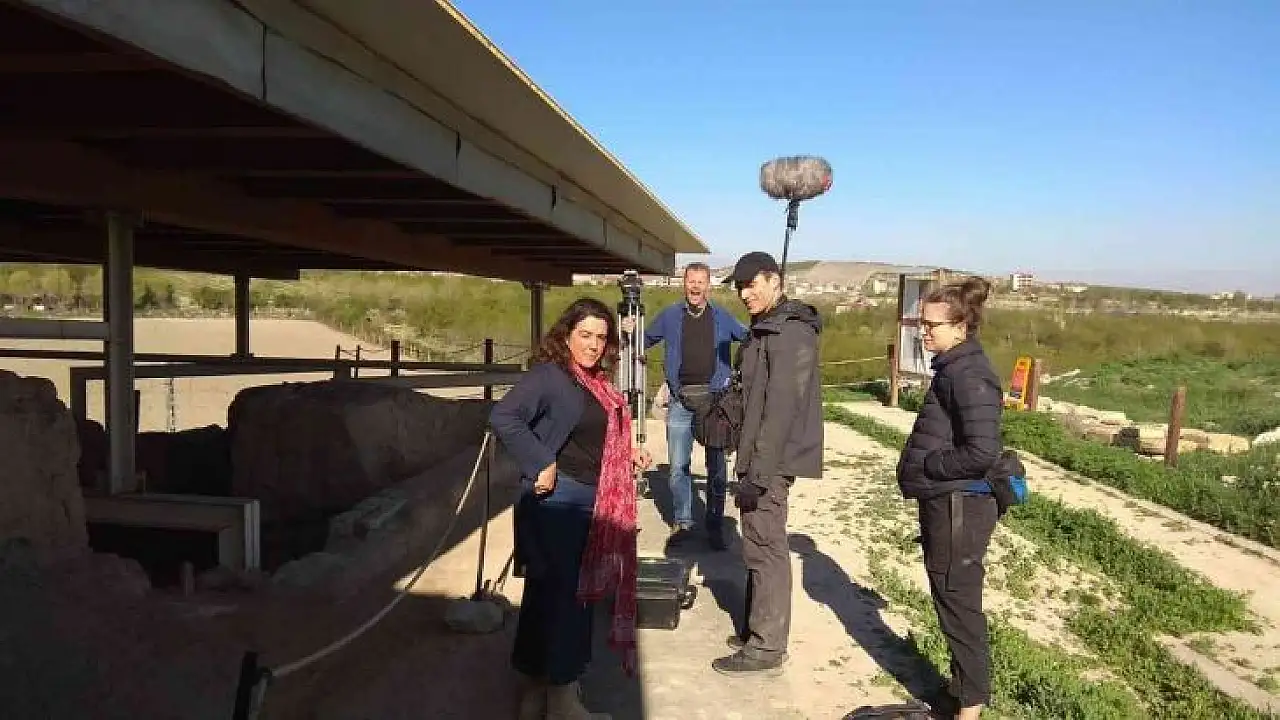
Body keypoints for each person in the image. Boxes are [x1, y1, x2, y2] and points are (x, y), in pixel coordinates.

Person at [489, 298, 653, 720]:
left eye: (601, 337)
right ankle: (563, 702)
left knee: (547, 598)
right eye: (585, 335)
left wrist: (626, 453)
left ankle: (534, 693)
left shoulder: (593, 381)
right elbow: (504, 416)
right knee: (567, 601)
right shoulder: (550, 376)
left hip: (585, 497)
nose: (593, 345)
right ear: (566, 335)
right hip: (561, 503)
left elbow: (592, 436)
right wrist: (540, 460)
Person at [895, 277, 1003, 720]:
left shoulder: (970, 374)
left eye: (931, 324)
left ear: (960, 327)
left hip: (961, 509)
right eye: (922, 322)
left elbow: (982, 451)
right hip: (946, 505)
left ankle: (969, 710)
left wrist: (931, 465)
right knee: (949, 600)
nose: (923, 331)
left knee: (960, 607)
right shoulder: (953, 368)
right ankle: (958, 693)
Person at [711, 251, 823, 676]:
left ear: (775, 280)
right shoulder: (766, 329)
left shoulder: (789, 333)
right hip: (757, 456)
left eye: (752, 284)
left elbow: (780, 411)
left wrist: (757, 475)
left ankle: (766, 646)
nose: (745, 294)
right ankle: (756, 630)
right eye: (740, 287)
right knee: (756, 545)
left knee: (766, 549)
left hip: (768, 463)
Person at [620, 262, 748, 550]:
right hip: (680, 401)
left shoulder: (722, 317)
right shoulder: (670, 316)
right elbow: (644, 340)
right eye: (691, 281)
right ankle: (683, 522)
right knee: (678, 467)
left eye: (701, 281)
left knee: (717, 468)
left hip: (715, 405)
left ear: (708, 286)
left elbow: (749, 338)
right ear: (684, 284)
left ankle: (715, 525)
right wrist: (630, 331)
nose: (695, 286)